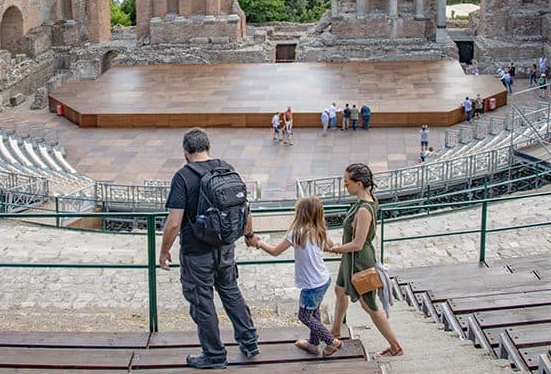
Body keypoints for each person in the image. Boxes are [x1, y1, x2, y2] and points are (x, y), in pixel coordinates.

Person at [159, 128, 259, 369]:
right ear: (208, 147)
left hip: (196, 252)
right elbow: (243, 207)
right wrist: (248, 234)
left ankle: (214, 355)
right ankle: (249, 341)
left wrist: (163, 252)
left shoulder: (183, 177)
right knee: (230, 291)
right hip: (225, 247)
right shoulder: (226, 168)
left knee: (202, 303)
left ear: (185, 152)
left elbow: (173, 223)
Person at [248, 197, 341, 357]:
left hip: (311, 285)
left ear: (301, 214)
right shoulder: (320, 231)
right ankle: (313, 344)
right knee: (314, 312)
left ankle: (331, 341)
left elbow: (275, 251)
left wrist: (259, 243)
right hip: (323, 279)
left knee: (304, 316)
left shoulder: (296, 233)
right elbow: (330, 247)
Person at [329, 163, 403, 357]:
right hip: (350, 259)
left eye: (347, 183)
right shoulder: (368, 200)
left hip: (359, 261)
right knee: (339, 290)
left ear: (359, 184)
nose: (345, 186)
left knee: (369, 305)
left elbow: (358, 244)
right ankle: (335, 331)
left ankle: (396, 346)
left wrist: (334, 249)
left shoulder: (364, 209)